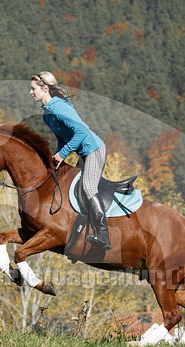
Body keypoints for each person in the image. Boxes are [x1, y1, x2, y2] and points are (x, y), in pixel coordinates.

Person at [30, 71, 111, 250]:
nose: (31, 92)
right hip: (82, 153)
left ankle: (103, 234)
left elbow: (82, 131)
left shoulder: (58, 107)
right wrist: (58, 156)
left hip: (94, 149)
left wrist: (64, 153)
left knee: (88, 187)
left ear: (44, 89)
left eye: (33, 88)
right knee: (72, 189)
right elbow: (63, 138)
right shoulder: (47, 114)